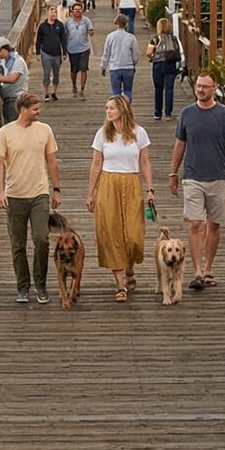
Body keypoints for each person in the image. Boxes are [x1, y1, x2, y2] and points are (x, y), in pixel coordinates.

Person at [168, 72, 225, 291]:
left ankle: (208, 268)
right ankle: (197, 271)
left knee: (215, 225)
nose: (200, 90)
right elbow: (180, 144)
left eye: (205, 87)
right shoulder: (187, 114)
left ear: (214, 88)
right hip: (192, 177)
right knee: (196, 223)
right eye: (198, 86)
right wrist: (173, 173)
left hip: (217, 177)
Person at [0, 93, 60, 305]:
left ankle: (41, 284)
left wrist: (56, 189)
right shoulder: (5, 133)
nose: (39, 112)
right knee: (18, 244)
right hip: (15, 195)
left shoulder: (45, 130)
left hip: (39, 193)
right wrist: (0, 192)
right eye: (35, 109)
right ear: (23, 110)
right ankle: (22, 286)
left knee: (41, 239)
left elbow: (52, 161)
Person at [87, 95, 154, 302]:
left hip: (131, 182)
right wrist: (91, 192)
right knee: (112, 232)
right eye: (107, 108)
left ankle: (130, 269)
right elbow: (96, 164)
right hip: (108, 183)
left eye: (112, 108)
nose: (108, 111)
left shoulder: (138, 132)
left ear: (123, 110)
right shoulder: (102, 134)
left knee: (133, 235)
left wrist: (150, 189)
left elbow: (144, 162)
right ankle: (120, 285)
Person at [146, 17, 182, 120]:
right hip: (171, 65)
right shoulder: (174, 38)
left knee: (158, 89)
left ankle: (158, 113)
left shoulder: (155, 38)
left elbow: (148, 52)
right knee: (169, 89)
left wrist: (153, 56)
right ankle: (168, 114)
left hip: (158, 65)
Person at [0, 40, 29, 119]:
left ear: (5, 49)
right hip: (8, 100)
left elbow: (13, 79)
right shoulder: (6, 62)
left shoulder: (18, 61)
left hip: (16, 99)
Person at [101, 13, 139, 100]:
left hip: (115, 67)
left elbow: (106, 53)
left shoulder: (110, 37)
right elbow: (136, 55)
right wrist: (133, 64)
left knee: (116, 92)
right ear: (126, 24)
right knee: (128, 90)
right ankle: (127, 107)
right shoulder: (131, 37)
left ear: (116, 23)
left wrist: (103, 66)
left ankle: (118, 109)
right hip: (128, 67)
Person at [34, 6, 67, 102]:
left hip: (57, 54)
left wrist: (64, 52)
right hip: (46, 53)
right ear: (47, 13)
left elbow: (63, 39)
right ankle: (46, 93)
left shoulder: (60, 25)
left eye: (55, 12)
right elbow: (39, 40)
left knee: (56, 74)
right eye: (52, 12)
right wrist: (37, 53)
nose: (54, 14)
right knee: (46, 73)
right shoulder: (43, 26)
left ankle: (54, 92)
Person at [64, 1, 94, 97]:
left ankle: (82, 88)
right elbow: (64, 34)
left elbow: (91, 30)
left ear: (82, 11)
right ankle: (74, 85)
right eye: (76, 9)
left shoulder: (86, 20)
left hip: (84, 48)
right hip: (72, 49)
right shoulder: (68, 22)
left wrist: (91, 32)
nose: (77, 11)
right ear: (72, 11)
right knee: (74, 70)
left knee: (83, 68)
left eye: (79, 9)